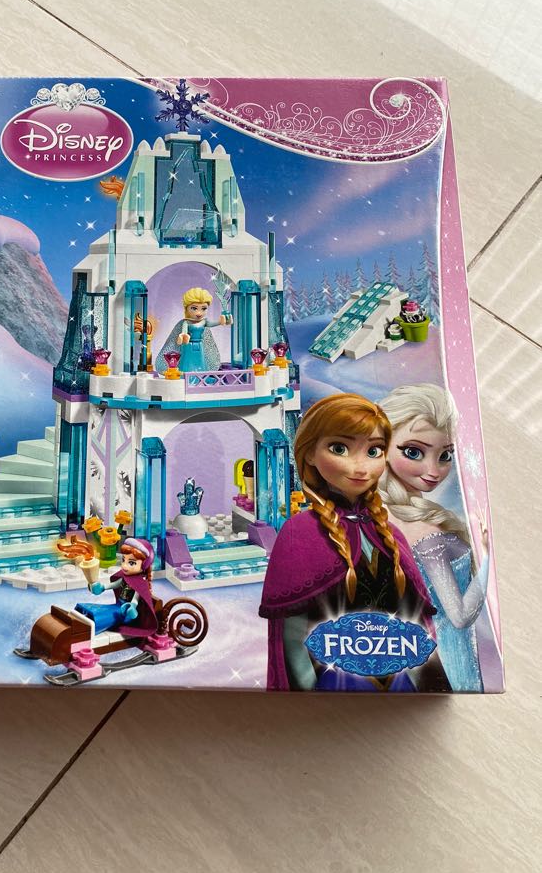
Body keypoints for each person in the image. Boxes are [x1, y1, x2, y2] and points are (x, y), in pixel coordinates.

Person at [259, 392, 450, 692]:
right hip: (334, 686)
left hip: (399, 683)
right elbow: (292, 639)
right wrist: (309, 697)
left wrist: (429, 685)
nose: (361, 467)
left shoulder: (387, 532)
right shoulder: (299, 532)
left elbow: (417, 625)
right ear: (310, 453)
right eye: (340, 448)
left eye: (374, 451)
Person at [379, 384, 488, 692]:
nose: (434, 470)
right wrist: (487, 557)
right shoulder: (425, 533)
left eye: (445, 455)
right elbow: (460, 617)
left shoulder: (379, 515)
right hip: (451, 664)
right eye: (413, 452)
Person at [74, 538, 158, 637]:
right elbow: (115, 584)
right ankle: (81, 621)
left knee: (102, 616)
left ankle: (88, 628)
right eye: (123, 560)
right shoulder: (125, 578)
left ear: (143, 565)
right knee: (94, 609)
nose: (124, 566)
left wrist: (132, 606)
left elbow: (135, 598)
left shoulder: (140, 583)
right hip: (117, 606)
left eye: (131, 563)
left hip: (124, 612)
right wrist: (102, 587)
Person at [157, 287, 231, 375]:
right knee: (188, 361)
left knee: (200, 361)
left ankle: (201, 374)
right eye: (194, 308)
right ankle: (187, 374)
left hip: (199, 345)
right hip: (188, 345)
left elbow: (212, 324)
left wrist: (221, 321)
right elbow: (184, 331)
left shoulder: (204, 322)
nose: (199, 313)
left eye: (203, 308)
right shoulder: (186, 322)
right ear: (187, 308)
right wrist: (183, 336)